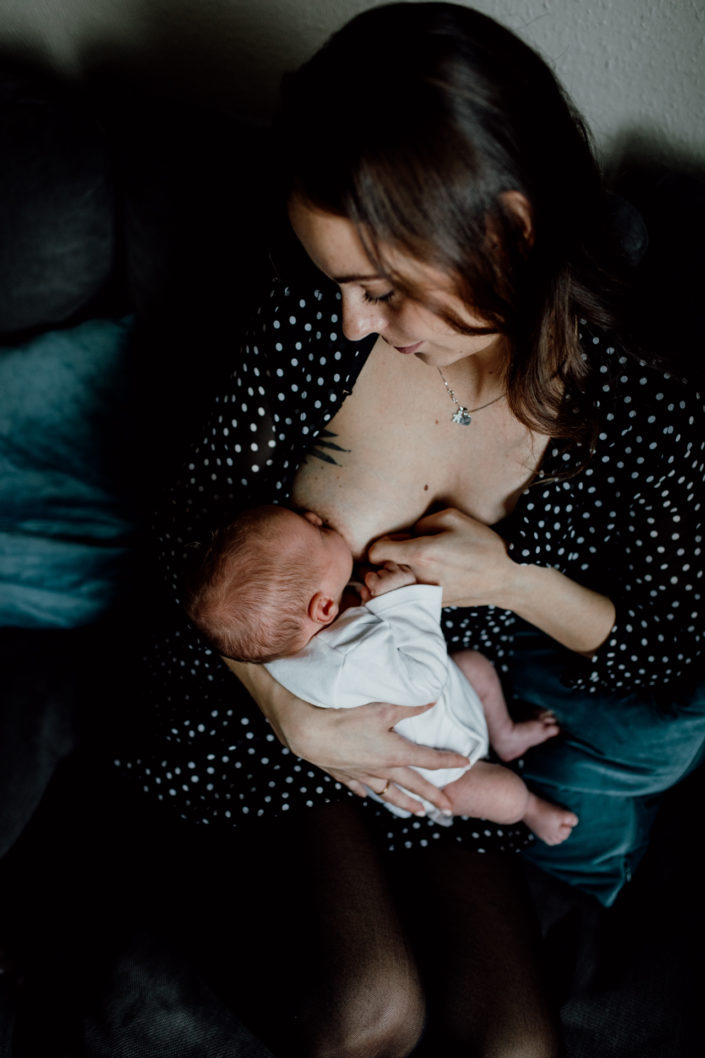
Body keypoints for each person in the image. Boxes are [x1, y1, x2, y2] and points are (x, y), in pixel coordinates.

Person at [121, 3, 705, 1055]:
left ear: (508, 232)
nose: (349, 317)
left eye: (382, 288)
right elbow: (185, 526)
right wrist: (289, 711)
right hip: (263, 712)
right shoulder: (314, 326)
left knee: (514, 1040)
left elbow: (664, 650)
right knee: (369, 1005)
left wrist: (515, 580)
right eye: (343, 285)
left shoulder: (641, 406)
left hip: (436, 742)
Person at [184, 502, 579, 844]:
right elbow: (426, 679)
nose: (312, 515)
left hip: (445, 709)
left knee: (472, 664)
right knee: (505, 797)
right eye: (318, 531)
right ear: (322, 608)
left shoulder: (282, 645)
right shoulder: (349, 655)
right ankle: (529, 807)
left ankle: (506, 735)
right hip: (445, 764)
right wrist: (402, 600)